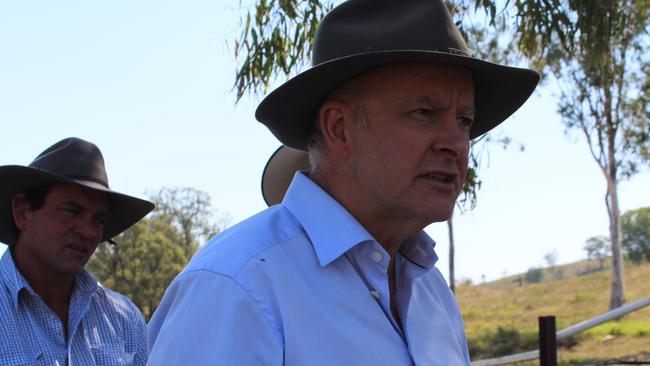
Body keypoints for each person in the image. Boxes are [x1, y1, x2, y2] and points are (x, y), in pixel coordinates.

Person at [147, 0, 539, 364]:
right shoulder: (238, 286)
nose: (456, 143)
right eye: (424, 112)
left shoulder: (432, 293)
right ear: (340, 128)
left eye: (464, 121)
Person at [0, 137, 154, 365]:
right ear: (23, 212)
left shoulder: (123, 319)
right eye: (71, 210)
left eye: (98, 220)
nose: (87, 231)